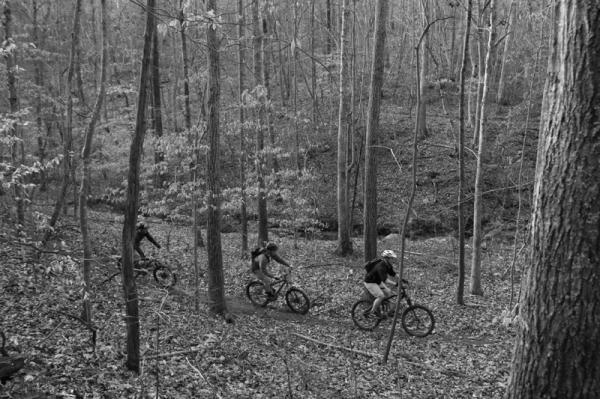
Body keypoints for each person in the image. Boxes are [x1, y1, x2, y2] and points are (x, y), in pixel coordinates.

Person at [364, 249, 399, 318]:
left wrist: (402, 279)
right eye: (392, 258)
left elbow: (393, 274)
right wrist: (395, 284)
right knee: (381, 296)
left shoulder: (388, 265)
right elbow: (385, 280)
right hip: (370, 282)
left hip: (377, 281)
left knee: (388, 292)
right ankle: (372, 312)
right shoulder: (381, 266)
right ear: (387, 259)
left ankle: (389, 311)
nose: (393, 260)